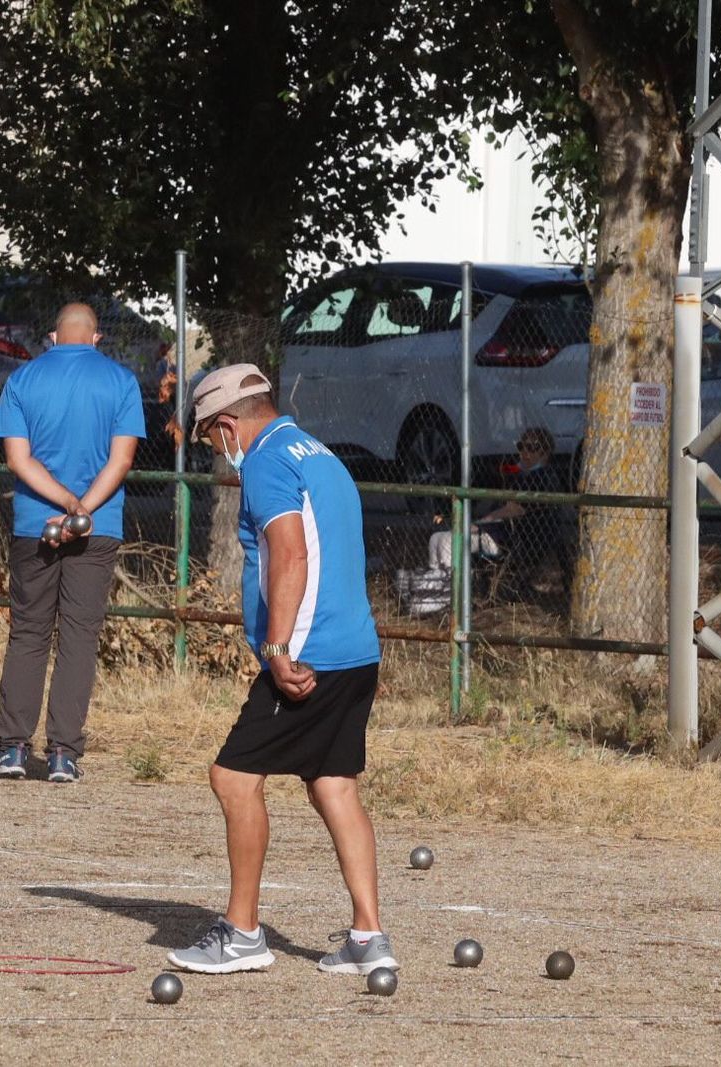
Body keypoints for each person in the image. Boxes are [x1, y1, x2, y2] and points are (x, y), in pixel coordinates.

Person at [167, 364, 394, 978]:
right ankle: (368, 937)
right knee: (333, 784)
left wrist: (276, 648)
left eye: (211, 438)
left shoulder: (267, 460)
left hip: (306, 655)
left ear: (227, 423)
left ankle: (242, 933)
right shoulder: (318, 452)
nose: (217, 450)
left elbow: (290, 555)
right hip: (356, 648)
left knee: (233, 779)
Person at [0, 302, 144, 783]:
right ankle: (63, 755)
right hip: (98, 526)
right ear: (96, 339)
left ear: (52, 337)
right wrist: (83, 508)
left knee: (29, 633)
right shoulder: (121, 382)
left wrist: (64, 502)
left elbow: (18, 460)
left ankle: (12, 748)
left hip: (35, 525)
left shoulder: (23, 380)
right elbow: (121, 460)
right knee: (78, 637)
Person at [426, 426, 564, 573]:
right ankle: (437, 579)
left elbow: (515, 509)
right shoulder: (520, 473)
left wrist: (481, 524)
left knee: (448, 541)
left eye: (531, 447)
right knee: (435, 538)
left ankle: (452, 582)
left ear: (545, 453)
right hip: (496, 531)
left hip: (511, 538)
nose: (524, 451)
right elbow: (498, 474)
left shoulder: (542, 477)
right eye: (521, 446)